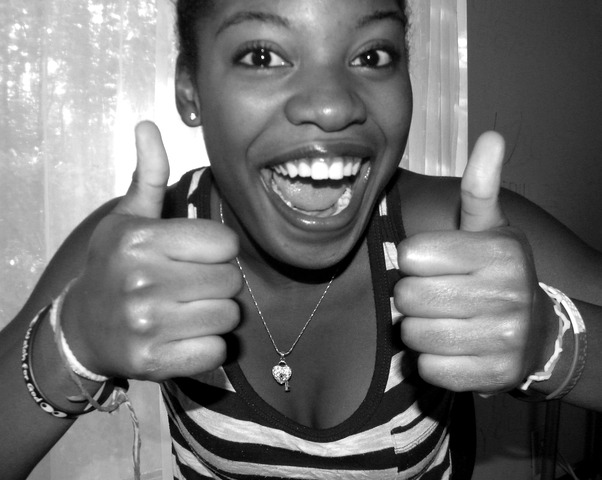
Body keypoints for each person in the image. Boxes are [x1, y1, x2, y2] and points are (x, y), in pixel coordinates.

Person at [1, 0, 601, 478]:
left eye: (372, 55)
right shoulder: (137, 248)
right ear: (190, 88)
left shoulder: (455, 232)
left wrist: (554, 342)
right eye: (263, 55)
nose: (333, 106)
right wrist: (69, 343)